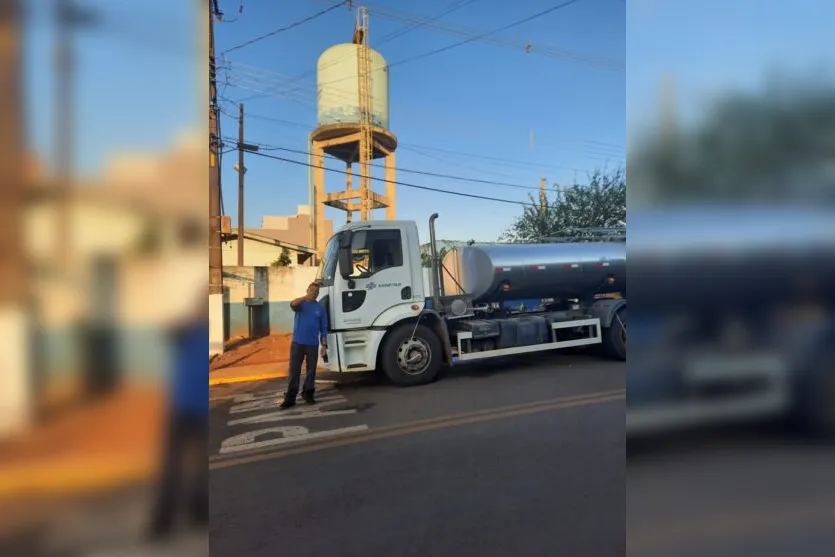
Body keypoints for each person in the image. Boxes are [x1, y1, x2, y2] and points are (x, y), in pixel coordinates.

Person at [148, 291, 209, 541]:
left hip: (201, 412)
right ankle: (162, 521)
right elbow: (168, 330)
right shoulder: (186, 330)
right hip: (182, 409)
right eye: (201, 306)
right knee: (172, 468)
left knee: (201, 468)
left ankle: (198, 511)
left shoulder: (204, 334)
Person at [280, 282, 328, 409]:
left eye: (316, 291)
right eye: (312, 290)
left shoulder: (320, 308)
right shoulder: (301, 304)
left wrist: (324, 345)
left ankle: (308, 393)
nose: (314, 293)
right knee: (294, 370)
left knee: (311, 371)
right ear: (307, 290)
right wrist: (305, 297)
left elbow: (324, 328)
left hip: (312, 344)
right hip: (298, 343)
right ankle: (290, 398)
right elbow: (292, 304)